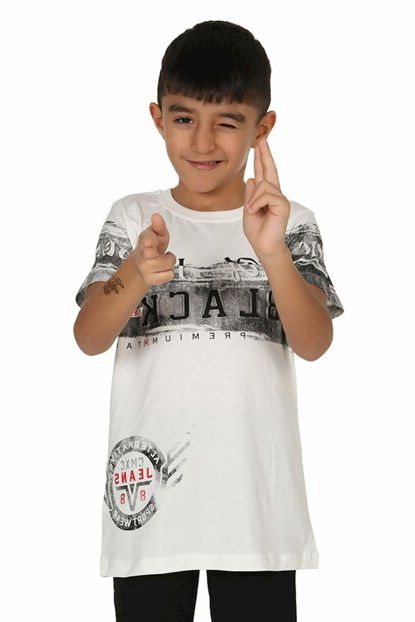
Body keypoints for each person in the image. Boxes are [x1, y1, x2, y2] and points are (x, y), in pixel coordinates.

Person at [73, 19, 344, 622]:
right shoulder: (133, 216)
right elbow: (89, 336)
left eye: (227, 122)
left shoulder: (289, 220)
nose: (201, 141)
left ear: (261, 128)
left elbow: (315, 343)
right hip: (147, 498)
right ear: (157, 118)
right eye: (183, 118)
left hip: (255, 504)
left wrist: (272, 252)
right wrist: (134, 273)